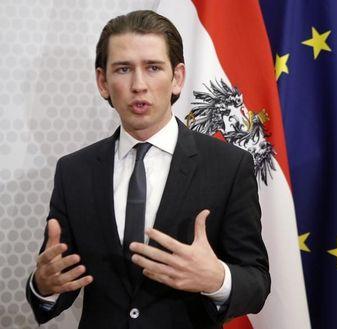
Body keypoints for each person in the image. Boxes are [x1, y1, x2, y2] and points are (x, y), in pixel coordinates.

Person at [25, 10, 270, 329]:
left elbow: (257, 282)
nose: (138, 85)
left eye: (153, 68)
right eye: (123, 69)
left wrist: (217, 279)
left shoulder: (229, 166)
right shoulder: (74, 171)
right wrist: (43, 286)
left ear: (177, 78)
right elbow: (60, 278)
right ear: (103, 82)